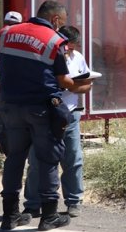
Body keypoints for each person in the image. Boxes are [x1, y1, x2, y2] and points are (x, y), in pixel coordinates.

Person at [0, 0, 91, 231]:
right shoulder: (54, 40)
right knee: (47, 160)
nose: (61, 27)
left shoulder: (7, 34)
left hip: (11, 107)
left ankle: (10, 215)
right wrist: (84, 87)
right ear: (55, 19)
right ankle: (48, 216)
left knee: (15, 159)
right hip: (41, 109)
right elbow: (64, 81)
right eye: (62, 22)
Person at [22, 26, 91, 218]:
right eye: (65, 45)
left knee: (73, 158)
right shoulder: (45, 56)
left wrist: (75, 86)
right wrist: (67, 84)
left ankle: (74, 201)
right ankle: (33, 203)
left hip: (70, 114)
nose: (67, 49)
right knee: (36, 159)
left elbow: (87, 83)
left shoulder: (77, 57)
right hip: (45, 114)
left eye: (70, 46)